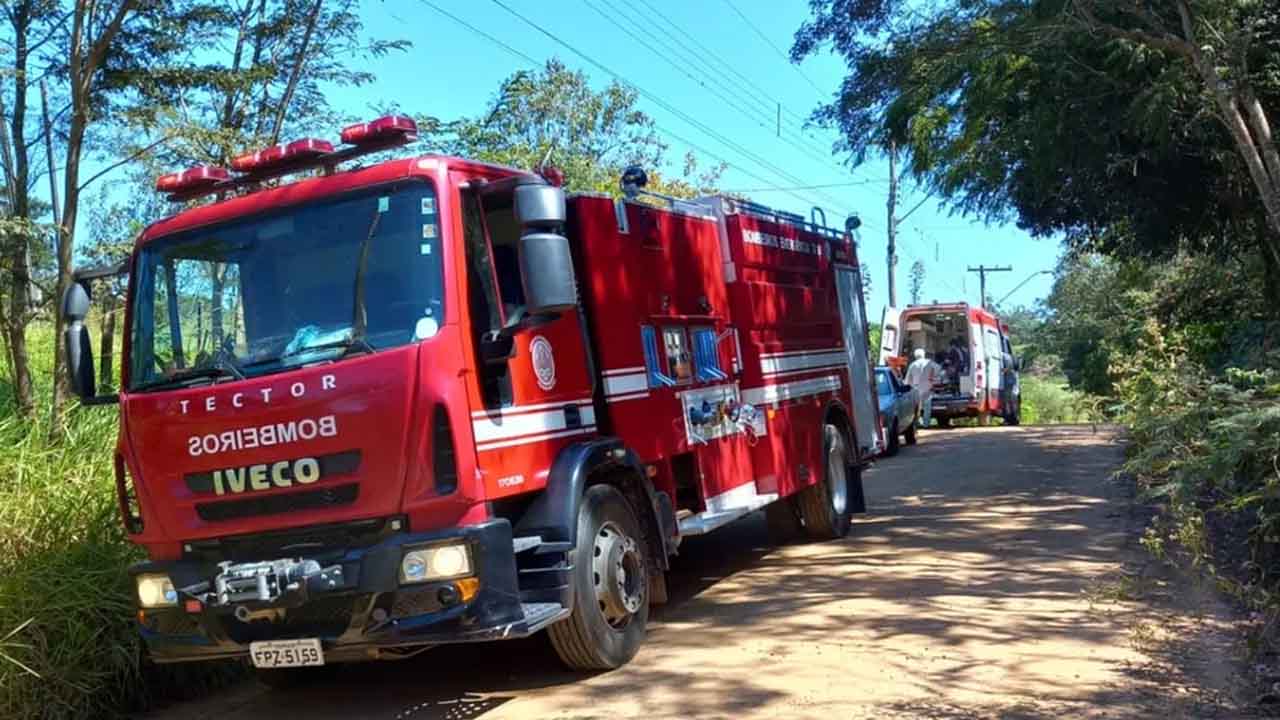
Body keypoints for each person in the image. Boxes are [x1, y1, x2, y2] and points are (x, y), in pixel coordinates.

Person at [905, 348, 941, 428]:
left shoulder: (912, 365)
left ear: (915, 356)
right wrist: (933, 376)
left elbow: (908, 380)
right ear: (924, 354)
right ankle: (926, 424)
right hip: (927, 387)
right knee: (927, 407)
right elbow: (939, 369)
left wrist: (908, 387)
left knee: (916, 408)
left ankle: (916, 424)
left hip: (916, 388)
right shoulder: (929, 362)